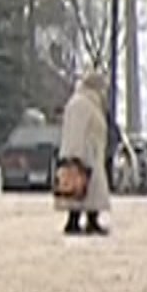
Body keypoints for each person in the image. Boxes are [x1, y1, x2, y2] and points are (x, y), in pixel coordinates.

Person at [56, 69, 112, 237]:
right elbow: (76, 131)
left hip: (89, 153)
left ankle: (90, 220)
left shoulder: (84, 102)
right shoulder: (82, 104)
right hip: (85, 154)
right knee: (81, 189)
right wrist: (76, 155)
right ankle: (76, 221)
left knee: (87, 191)